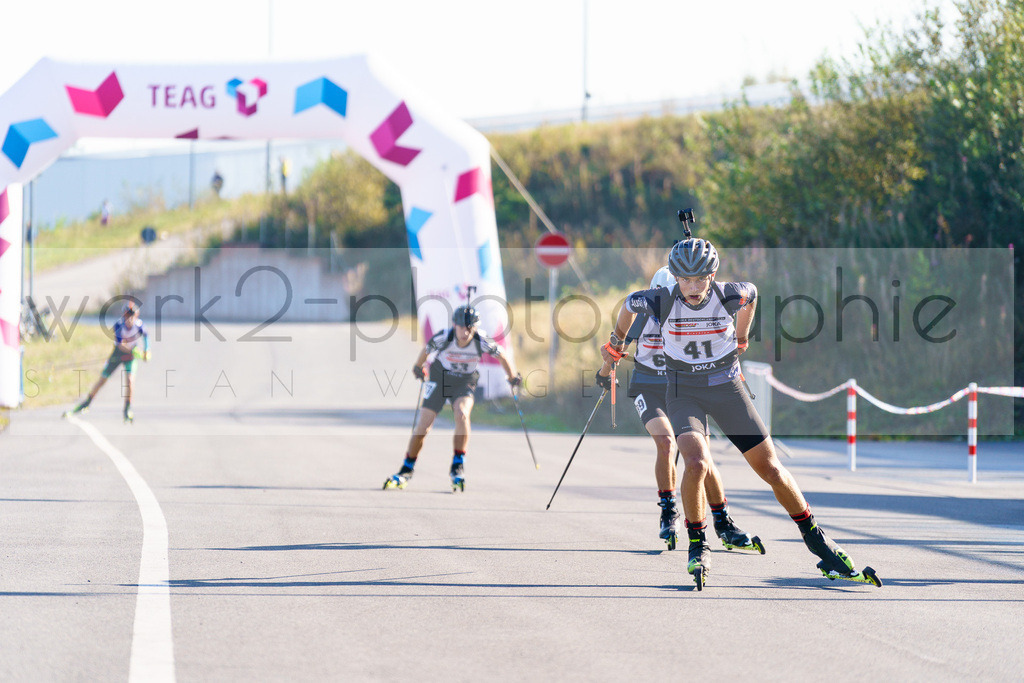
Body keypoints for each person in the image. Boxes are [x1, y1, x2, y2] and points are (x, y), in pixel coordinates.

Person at [600, 236, 879, 588]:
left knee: (771, 469)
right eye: (685, 279)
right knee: (697, 462)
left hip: (727, 390)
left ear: (712, 275)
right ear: (675, 277)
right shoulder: (660, 299)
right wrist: (616, 342)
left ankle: (817, 540)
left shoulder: (730, 294)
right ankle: (698, 544)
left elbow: (753, 295)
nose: (693, 287)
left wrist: (742, 337)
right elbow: (629, 304)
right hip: (683, 392)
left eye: (700, 279)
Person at [596, 266, 763, 554]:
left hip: (683, 388)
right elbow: (614, 349)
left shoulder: (696, 313)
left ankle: (723, 522)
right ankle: (668, 510)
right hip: (649, 387)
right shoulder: (643, 316)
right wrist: (603, 372)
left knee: (702, 458)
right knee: (666, 442)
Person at [384, 304, 521, 492]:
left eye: (470, 328)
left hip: (464, 382)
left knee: (462, 413)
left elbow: (502, 355)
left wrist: (512, 377)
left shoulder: (481, 340)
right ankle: (406, 468)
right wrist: (418, 367)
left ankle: (458, 464)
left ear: (475, 327)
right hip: (439, 379)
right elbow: (426, 350)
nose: (465, 332)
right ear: (455, 325)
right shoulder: (444, 337)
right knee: (424, 425)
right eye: (462, 327)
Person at [66, 301, 150, 423]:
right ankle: (87, 402)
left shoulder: (139, 325)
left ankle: (127, 409)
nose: (129, 318)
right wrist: (135, 352)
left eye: (132, 315)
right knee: (102, 380)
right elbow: (121, 344)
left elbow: (146, 337)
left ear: (136, 315)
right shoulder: (119, 325)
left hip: (131, 357)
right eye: (127, 315)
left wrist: (146, 351)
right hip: (118, 354)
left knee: (130, 381)